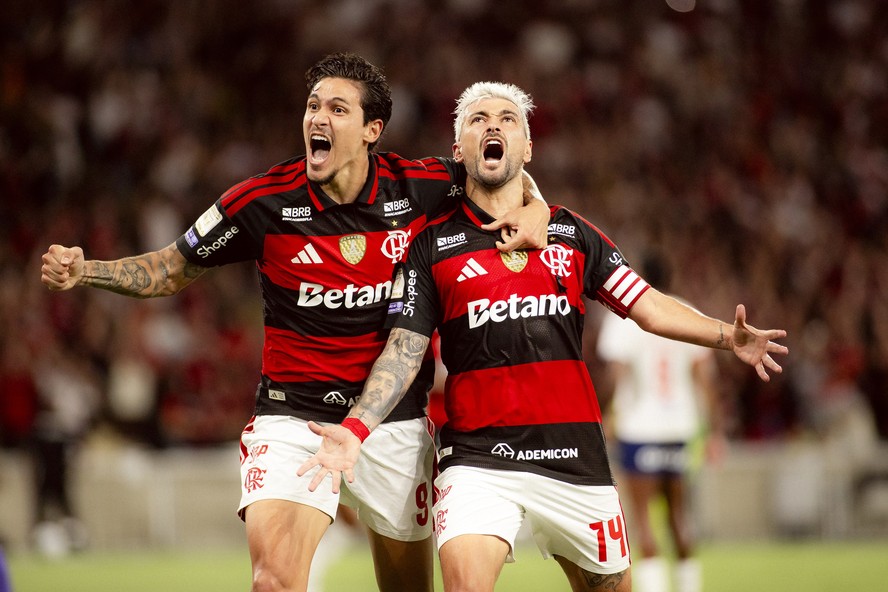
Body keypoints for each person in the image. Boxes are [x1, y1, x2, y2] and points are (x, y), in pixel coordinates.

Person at [39, 53, 550, 592]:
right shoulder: (262, 201)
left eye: (336, 108)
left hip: (392, 423)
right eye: (312, 107)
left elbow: (500, 176)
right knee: (273, 584)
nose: (317, 119)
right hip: (293, 419)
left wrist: (537, 210)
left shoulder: (420, 186)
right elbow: (170, 268)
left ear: (372, 129)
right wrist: (85, 271)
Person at [298, 81, 788, 592]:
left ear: (527, 147)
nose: (493, 124)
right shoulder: (431, 247)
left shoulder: (572, 233)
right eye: (478, 118)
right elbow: (404, 349)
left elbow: (649, 306)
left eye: (508, 119)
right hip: (477, 459)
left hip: (574, 457)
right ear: (459, 150)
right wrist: (355, 430)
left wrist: (725, 337)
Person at [596, 253, 725, 592]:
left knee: (643, 522)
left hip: (639, 428)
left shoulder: (625, 317)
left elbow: (615, 377)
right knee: (679, 517)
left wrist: (607, 414)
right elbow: (705, 381)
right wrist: (714, 431)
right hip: (681, 428)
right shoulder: (689, 313)